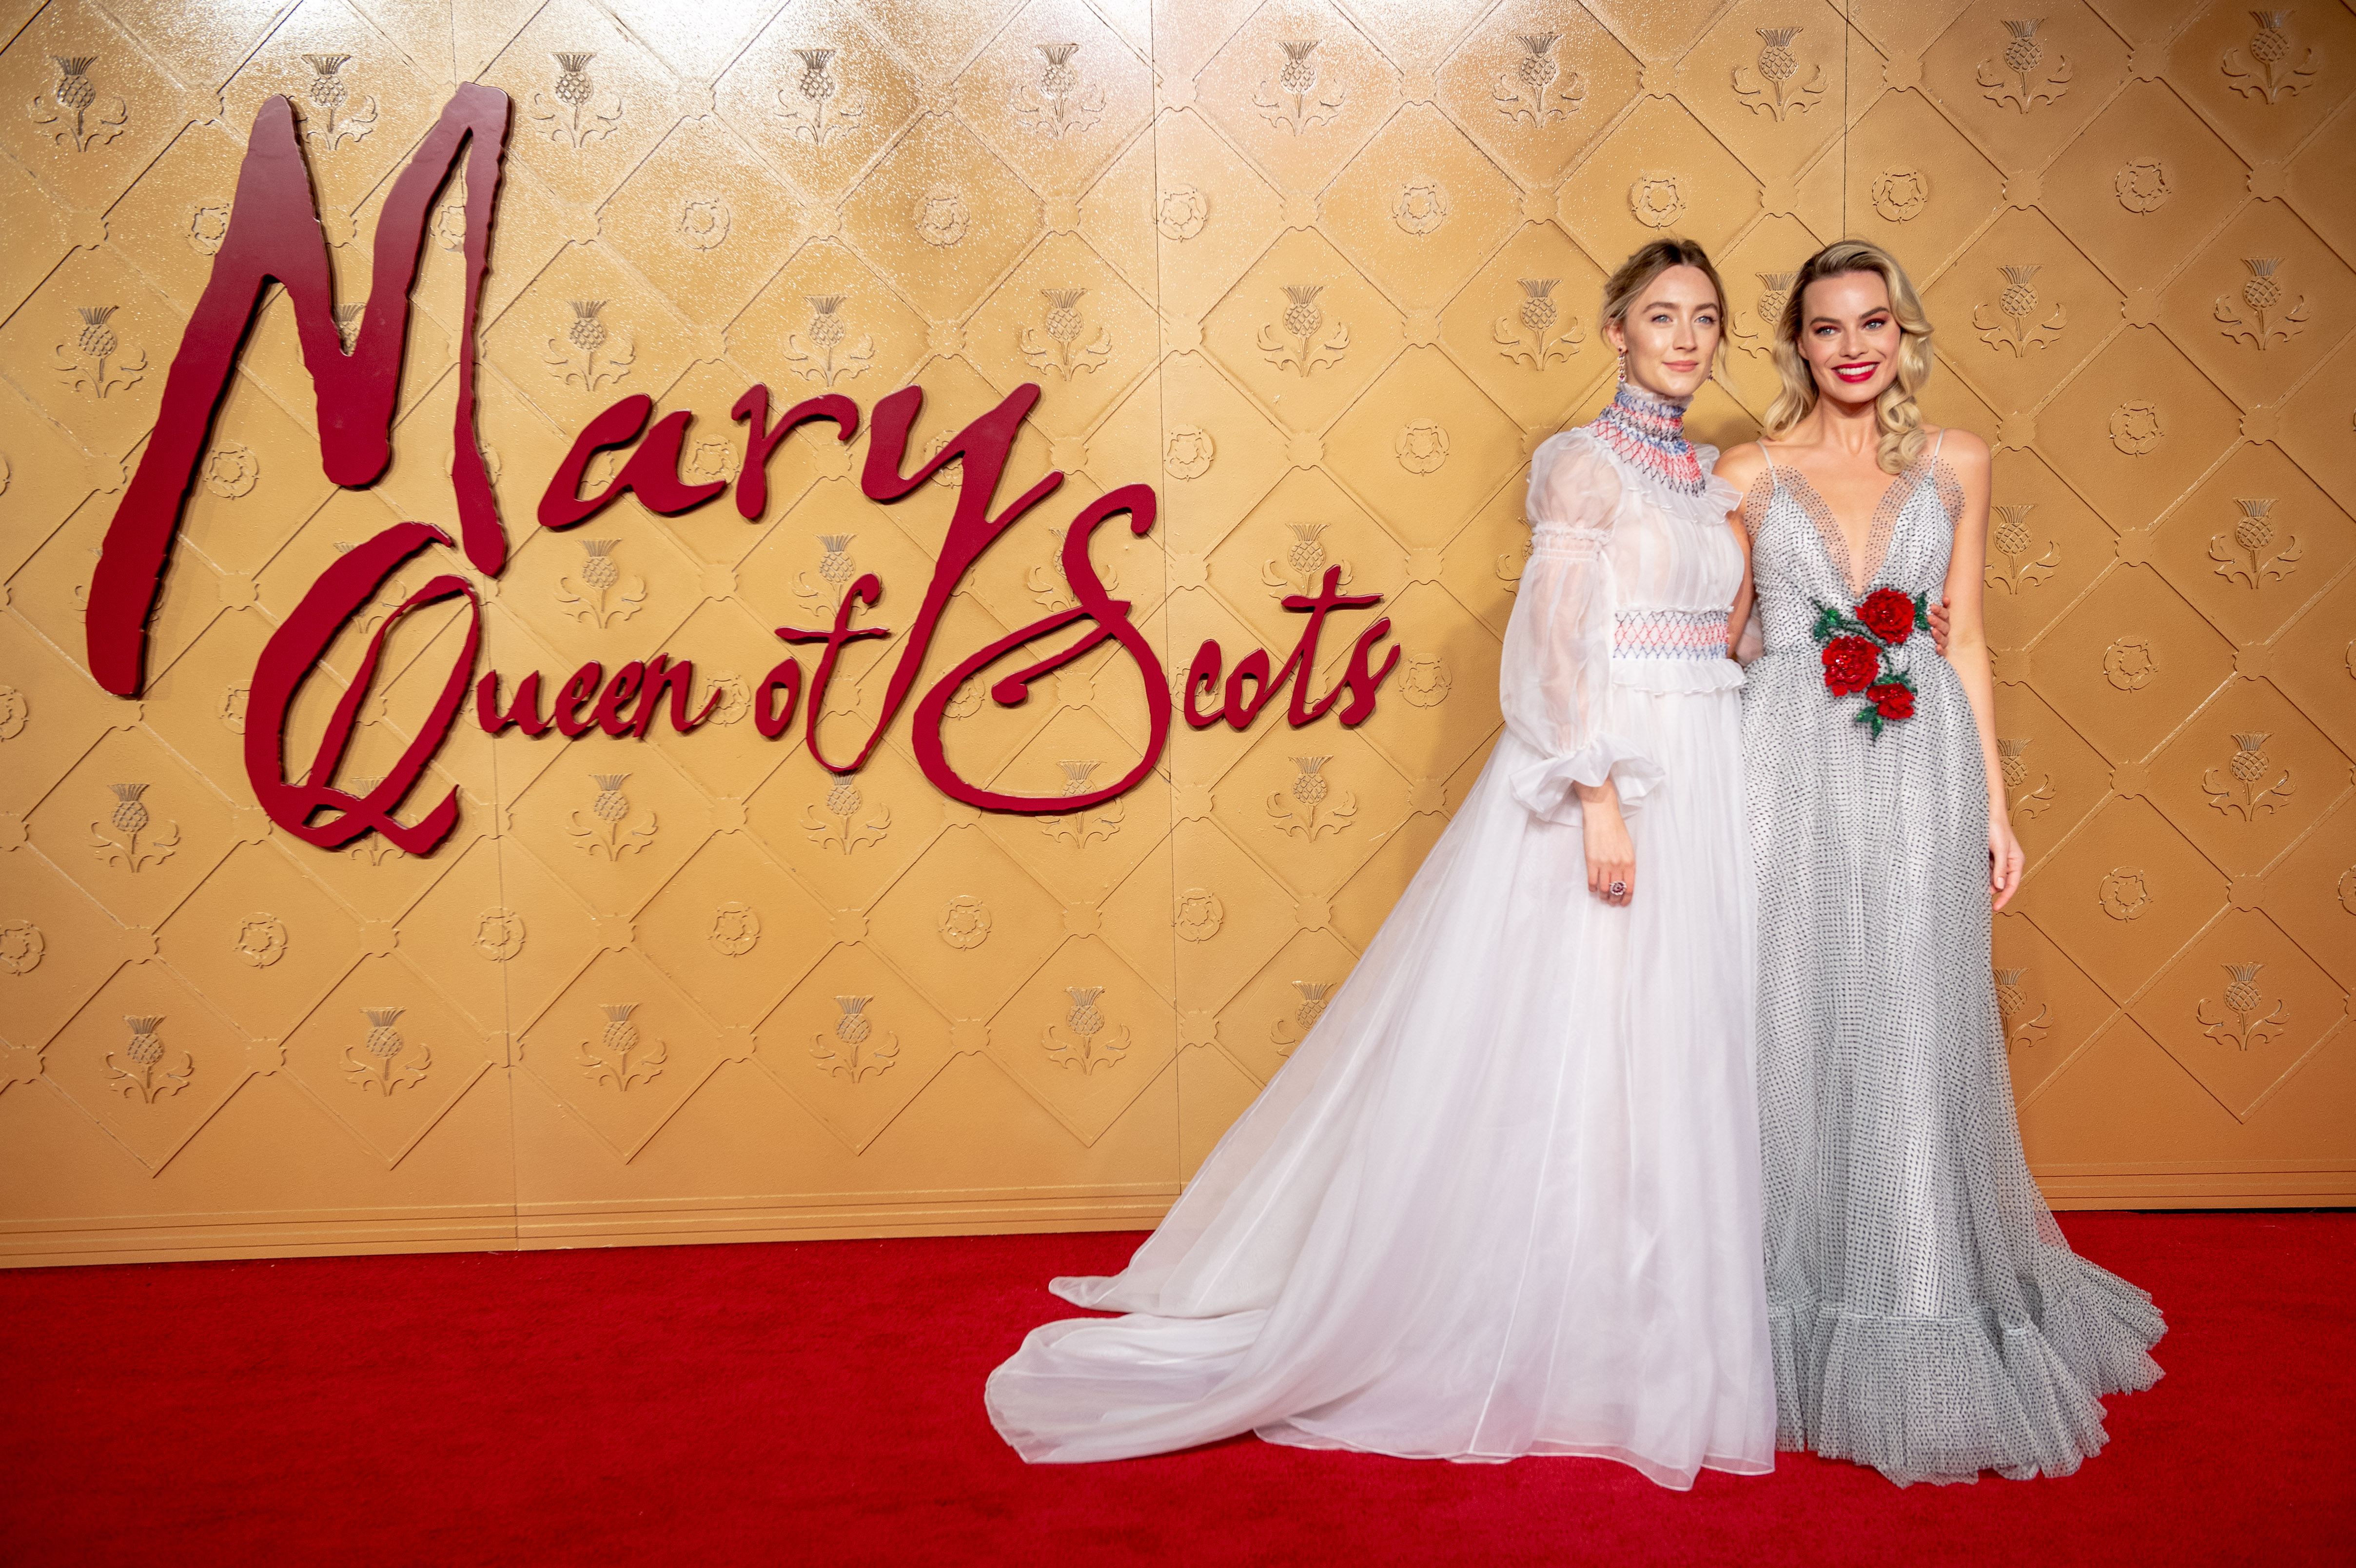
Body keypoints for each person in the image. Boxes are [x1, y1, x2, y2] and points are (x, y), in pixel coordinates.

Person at [984, 241, 1774, 1487]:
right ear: (1614, 331)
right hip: (1616, 773)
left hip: (1710, 767)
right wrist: (1599, 797)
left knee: (1678, 1050)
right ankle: (1550, 1320)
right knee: (1579, 1047)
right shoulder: (1582, 466)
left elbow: (1721, 631)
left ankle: (1657, 1324)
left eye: (1706, 319)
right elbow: (1556, 650)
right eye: (1661, 316)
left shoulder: (1712, 483)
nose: (1685, 338)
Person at [1718, 240, 2165, 1487]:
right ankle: (1764, 1317)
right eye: (1825, 328)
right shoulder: (1745, 473)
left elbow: (1967, 640)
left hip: (1922, 769)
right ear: (1796, 345)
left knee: (1912, 1028)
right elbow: (1728, 637)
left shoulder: (1957, 461)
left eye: (1873, 322)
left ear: (1903, 333)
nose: (1852, 346)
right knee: (1785, 1023)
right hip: (1780, 774)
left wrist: (1996, 811)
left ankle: (1913, 1303)